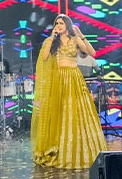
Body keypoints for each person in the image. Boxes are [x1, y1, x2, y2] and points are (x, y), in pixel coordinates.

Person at [31, 14, 107, 169]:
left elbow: (92, 53)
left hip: (74, 78)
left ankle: (77, 151)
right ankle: (58, 148)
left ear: (67, 25)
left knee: (76, 112)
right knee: (59, 113)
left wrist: (82, 36)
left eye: (61, 23)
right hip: (58, 80)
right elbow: (44, 58)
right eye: (56, 23)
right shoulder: (51, 41)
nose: (58, 25)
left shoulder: (75, 40)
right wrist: (51, 38)